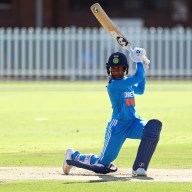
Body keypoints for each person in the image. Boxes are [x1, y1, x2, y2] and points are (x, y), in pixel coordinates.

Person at [62, 47, 162, 176]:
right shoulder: (114, 85)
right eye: (114, 68)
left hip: (133, 122)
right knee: (102, 163)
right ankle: (73, 156)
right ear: (109, 69)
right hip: (118, 127)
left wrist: (142, 64)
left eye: (119, 68)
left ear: (125, 69)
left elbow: (141, 89)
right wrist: (139, 62)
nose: (116, 71)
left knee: (152, 129)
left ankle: (139, 168)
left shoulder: (126, 82)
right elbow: (138, 76)